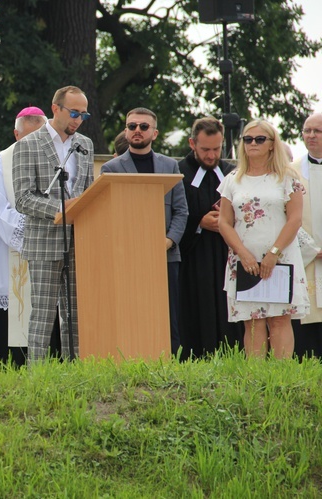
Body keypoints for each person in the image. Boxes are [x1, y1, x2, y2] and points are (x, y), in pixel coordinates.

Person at [13, 86, 95, 361]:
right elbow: (23, 199)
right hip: (44, 238)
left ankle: (77, 372)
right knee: (44, 313)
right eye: (74, 113)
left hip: (79, 239)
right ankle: (37, 375)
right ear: (55, 108)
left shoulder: (85, 144)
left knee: (77, 312)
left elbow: (88, 189)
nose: (78, 120)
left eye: (84, 115)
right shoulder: (27, 145)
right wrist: (61, 209)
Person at [217, 119, 309, 359]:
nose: (253, 144)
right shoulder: (232, 179)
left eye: (259, 139)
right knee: (253, 322)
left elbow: (295, 220)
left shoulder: (288, 177)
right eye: (248, 139)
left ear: (271, 144)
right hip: (244, 259)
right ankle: (256, 379)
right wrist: (243, 254)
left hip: (281, 257)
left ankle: (281, 379)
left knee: (279, 319)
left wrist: (273, 254)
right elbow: (224, 222)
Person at [101, 107, 188, 356]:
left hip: (165, 254)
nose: (137, 131)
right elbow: (109, 213)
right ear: (126, 131)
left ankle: (171, 365)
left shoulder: (170, 166)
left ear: (155, 133)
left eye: (143, 126)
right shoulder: (111, 168)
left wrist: (168, 241)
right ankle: (129, 361)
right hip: (126, 255)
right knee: (130, 314)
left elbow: (182, 211)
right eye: (132, 126)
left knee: (166, 315)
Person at [0, 106, 47, 367]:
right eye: (28, 137)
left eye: (39, 137)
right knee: (12, 358)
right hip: (13, 267)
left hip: (47, 265)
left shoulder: (53, 163)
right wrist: (37, 235)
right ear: (16, 135)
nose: (33, 143)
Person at [178, 117, 242, 358]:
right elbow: (171, 215)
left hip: (226, 253)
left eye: (216, 149)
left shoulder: (232, 172)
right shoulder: (178, 172)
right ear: (192, 143)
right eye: (205, 149)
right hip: (194, 256)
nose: (211, 156)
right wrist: (198, 222)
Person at [291, 113, 322, 358]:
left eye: (317, 131)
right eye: (307, 130)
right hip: (306, 259)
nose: (311, 136)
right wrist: (311, 247)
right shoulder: (291, 172)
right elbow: (286, 215)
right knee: (307, 322)